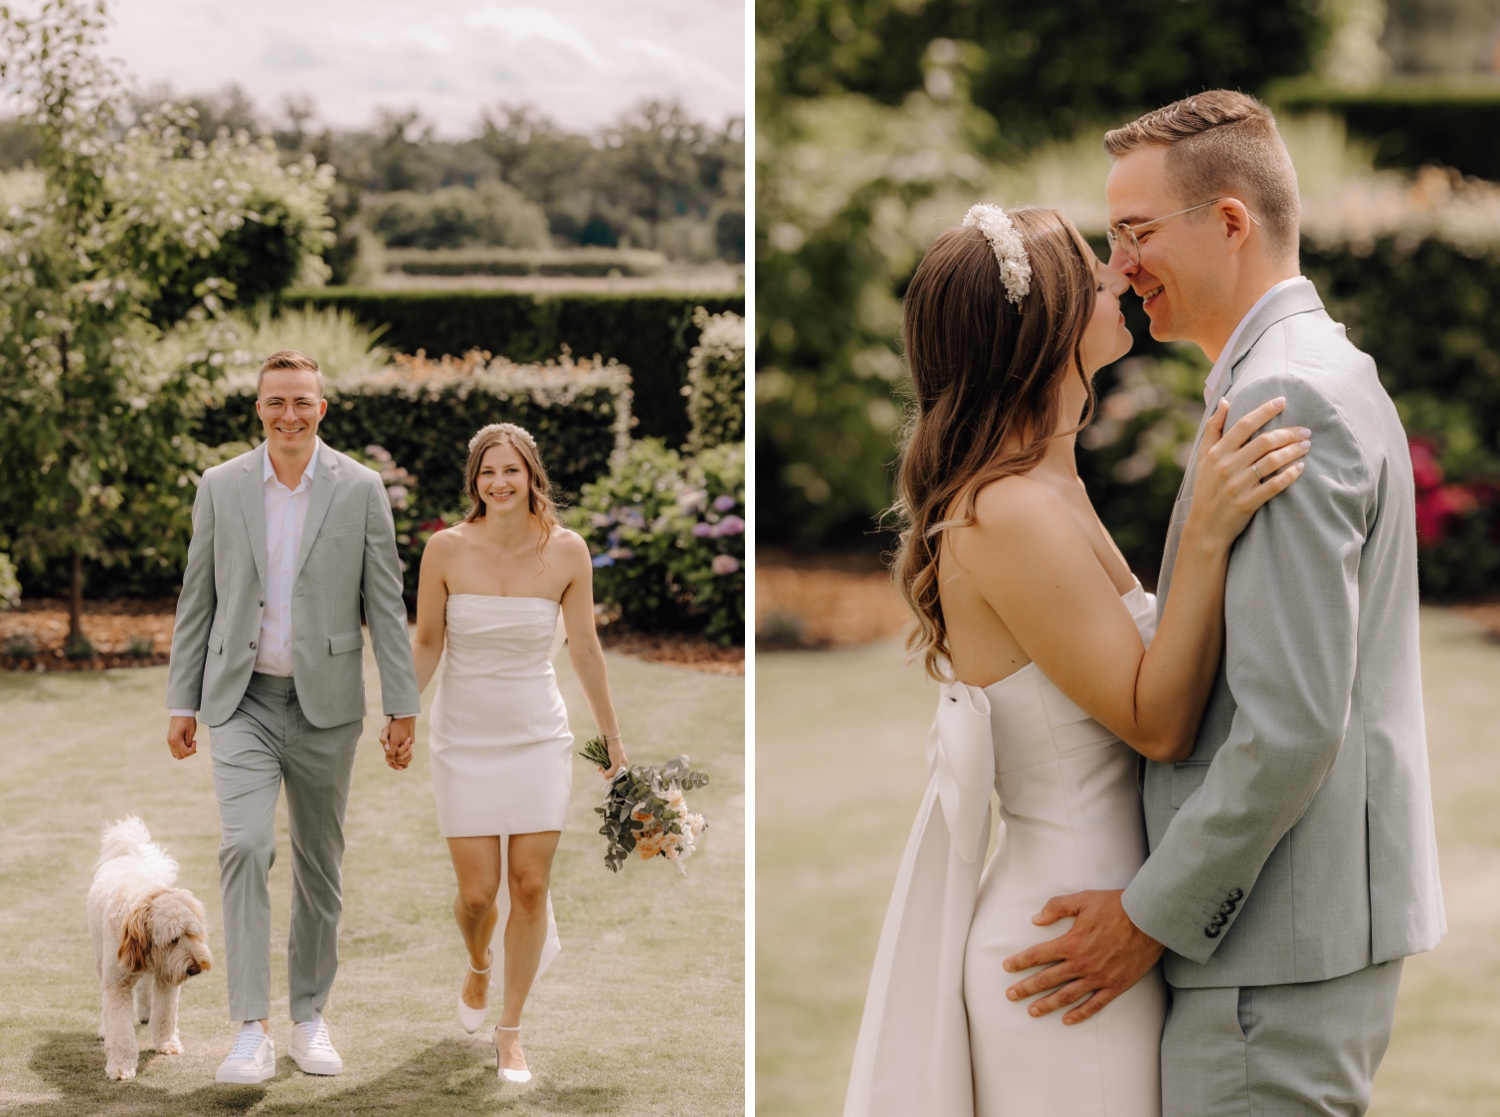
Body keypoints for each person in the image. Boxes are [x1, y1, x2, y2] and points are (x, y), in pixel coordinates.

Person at [998, 91, 1446, 1116]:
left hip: (1269, 959)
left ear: (1232, 221)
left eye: (1135, 232)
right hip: (1291, 944)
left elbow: (1289, 723)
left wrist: (1148, 916)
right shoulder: (1312, 370)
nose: (1117, 268)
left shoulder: (1286, 398)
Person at [842, 200, 1312, 1117]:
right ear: (1041, 323)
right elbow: (1158, 720)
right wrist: (1207, 533)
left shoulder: (1049, 476)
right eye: (1091, 270)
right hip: (1067, 950)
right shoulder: (1007, 510)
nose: (1118, 272)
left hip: (1097, 923)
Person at [165, 349, 422, 1085]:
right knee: (244, 847)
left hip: (327, 706)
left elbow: (385, 600)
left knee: (320, 864)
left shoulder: (361, 488)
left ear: (322, 407)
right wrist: (183, 700)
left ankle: (309, 1015)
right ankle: (250, 1026)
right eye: (276, 401)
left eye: (302, 401)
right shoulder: (220, 486)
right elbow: (198, 599)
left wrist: (402, 703)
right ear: (258, 408)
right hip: (239, 700)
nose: (289, 414)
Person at [404, 421, 627, 1084]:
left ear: (533, 476)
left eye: (512, 470)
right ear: (474, 482)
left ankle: (511, 1031)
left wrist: (612, 734)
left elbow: (584, 647)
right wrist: (400, 713)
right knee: (478, 895)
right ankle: (478, 965)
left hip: (537, 736)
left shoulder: (566, 552)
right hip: (463, 737)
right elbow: (425, 643)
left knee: (530, 884)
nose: (500, 482)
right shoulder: (444, 549)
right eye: (487, 472)